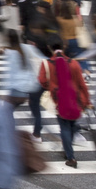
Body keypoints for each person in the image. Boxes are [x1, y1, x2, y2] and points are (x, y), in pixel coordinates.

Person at [39, 41, 92, 169]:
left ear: (49, 47)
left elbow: (42, 80)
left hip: (59, 100)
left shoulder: (47, 63)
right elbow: (81, 83)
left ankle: (70, 156)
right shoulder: (73, 63)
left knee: (64, 127)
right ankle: (67, 148)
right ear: (64, 47)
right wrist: (87, 101)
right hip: (75, 99)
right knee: (72, 125)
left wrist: (51, 87)